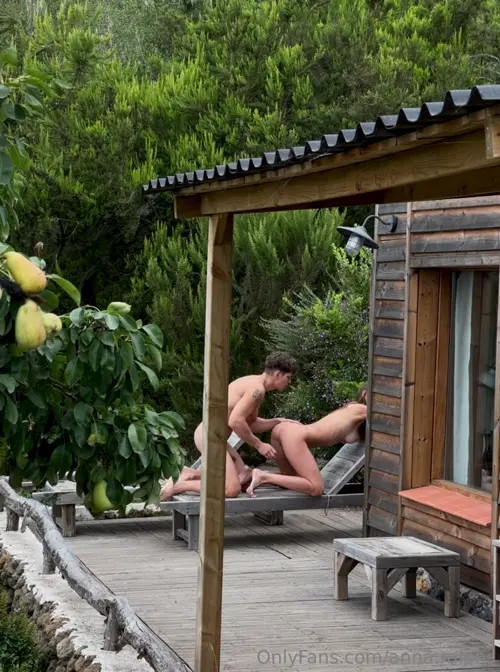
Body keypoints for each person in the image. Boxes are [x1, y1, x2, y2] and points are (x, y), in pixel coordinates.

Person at [159, 352, 297, 501]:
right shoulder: (257, 390)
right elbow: (235, 422)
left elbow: (249, 424)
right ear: (277, 374)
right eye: (288, 377)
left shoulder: (254, 384)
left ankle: (190, 474)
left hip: (215, 436)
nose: (289, 382)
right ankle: (180, 486)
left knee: (242, 476)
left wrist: (277, 421)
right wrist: (259, 445)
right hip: (211, 436)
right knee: (231, 489)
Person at [246, 387, 367, 498]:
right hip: (294, 435)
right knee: (316, 488)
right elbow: (379, 416)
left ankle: (249, 477)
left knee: (291, 478)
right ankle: (263, 476)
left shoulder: (351, 411)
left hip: (282, 430)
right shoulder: (362, 409)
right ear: (365, 394)